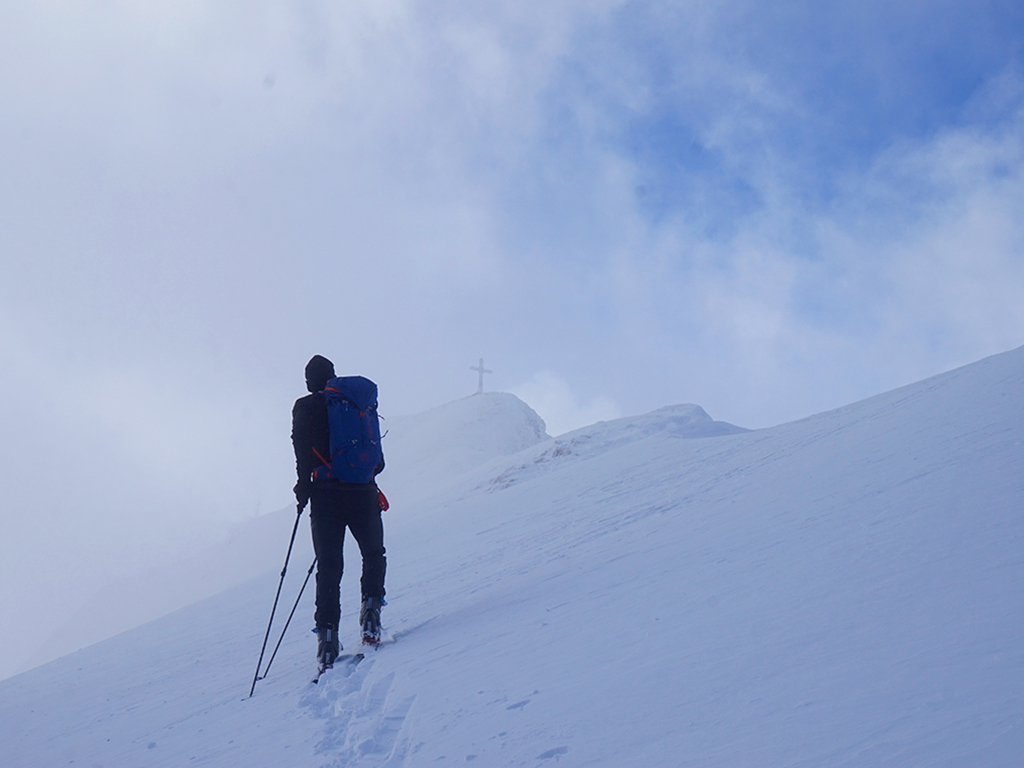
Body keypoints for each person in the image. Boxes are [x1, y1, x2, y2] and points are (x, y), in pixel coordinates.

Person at [291, 354, 387, 668]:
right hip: (363, 490)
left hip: (326, 494)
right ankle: (371, 614)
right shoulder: (356, 402)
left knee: (330, 567)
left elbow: (303, 451)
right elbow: (378, 460)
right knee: (373, 553)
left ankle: (327, 642)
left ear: (310, 381)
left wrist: (302, 487)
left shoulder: (305, 407)